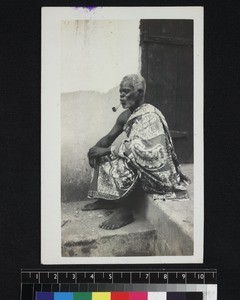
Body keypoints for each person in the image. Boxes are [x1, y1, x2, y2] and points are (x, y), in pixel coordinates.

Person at [82, 74, 190, 230]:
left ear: (139, 93)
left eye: (126, 91)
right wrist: (93, 151)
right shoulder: (125, 116)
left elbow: (145, 152)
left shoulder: (150, 115)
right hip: (142, 165)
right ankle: (107, 198)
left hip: (159, 175)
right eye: (120, 92)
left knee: (123, 162)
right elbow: (109, 137)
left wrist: (105, 150)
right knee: (105, 156)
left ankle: (125, 213)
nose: (122, 95)